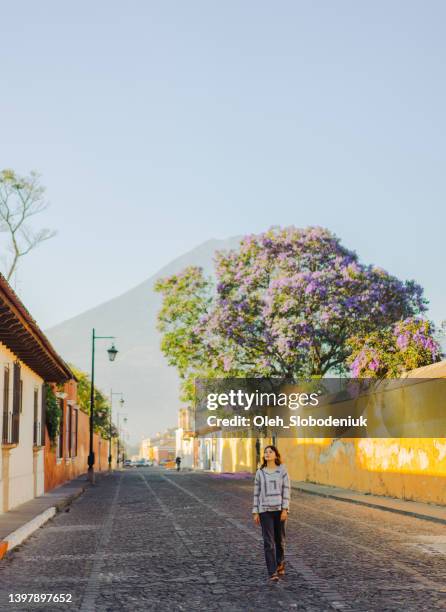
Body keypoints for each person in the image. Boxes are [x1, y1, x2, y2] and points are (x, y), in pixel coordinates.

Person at [252, 445, 290, 583]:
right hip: (264, 511)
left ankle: (280, 562)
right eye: (265, 452)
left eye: (270, 452)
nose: (267, 454)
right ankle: (272, 571)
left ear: (276, 455)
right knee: (268, 542)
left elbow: (286, 490)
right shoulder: (260, 472)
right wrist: (255, 511)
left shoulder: (282, 471)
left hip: (279, 510)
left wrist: (285, 509)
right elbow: (256, 493)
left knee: (279, 540)